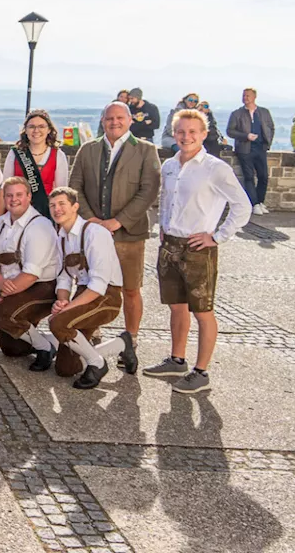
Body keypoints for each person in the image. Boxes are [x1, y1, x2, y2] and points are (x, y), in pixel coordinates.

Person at [144, 109, 251, 393]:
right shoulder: (169, 165)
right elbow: (166, 198)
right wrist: (163, 226)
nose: (186, 136)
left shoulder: (216, 168)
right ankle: (177, 359)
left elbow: (243, 206)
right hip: (170, 245)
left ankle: (201, 372)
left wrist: (217, 236)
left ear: (204, 134)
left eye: (192, 131)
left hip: (197, 247)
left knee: (203, 311)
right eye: (181, 131)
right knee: (176, 306)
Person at [68, 101, 160, 363]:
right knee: (92, 284)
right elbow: (75, 187)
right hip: (93, 232)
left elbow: (149, 191)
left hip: (129, 234)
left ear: (130, 120)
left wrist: (118, 222)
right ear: (103, 121)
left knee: (131, 289)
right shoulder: (88, 149)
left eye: (120, 118)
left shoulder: (145, 150)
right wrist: (92, 220)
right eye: (109, 118)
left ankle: (131, 337)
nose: (114, 122)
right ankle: (91, 329)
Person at [47, 187, 136, 388]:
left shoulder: (95, 233)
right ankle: (122, 344)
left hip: (106, 298)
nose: (57, 209)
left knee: (58, 323)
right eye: (52, 205)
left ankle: (97, 364)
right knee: (66, 368)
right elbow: (63, 277)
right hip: (83, 296)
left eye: (62, 204)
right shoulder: (61, 237)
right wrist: (62, 300)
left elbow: (98, 285)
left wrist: (66, 311)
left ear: (75, 207)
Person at [0, 177, 62, 369]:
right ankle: (56, 340)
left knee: (3, 314)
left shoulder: (39, 226)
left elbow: (31, 275)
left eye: (19, 195)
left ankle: (45, 347)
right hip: (12, 286)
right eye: (9, 195)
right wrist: (0, 283)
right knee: (12, 349)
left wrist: (4, 294)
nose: (13, 199)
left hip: (42, 288)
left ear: (29, 197)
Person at [0, 110, 68, 220]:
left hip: (45, 214)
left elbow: (61, 193)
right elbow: (4, 189)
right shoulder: (15, 154)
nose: (36, 130)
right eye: (31, 127)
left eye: (41, 126)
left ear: (49, 129)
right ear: (25, 130)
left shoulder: (58, 155)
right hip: (16, 213)